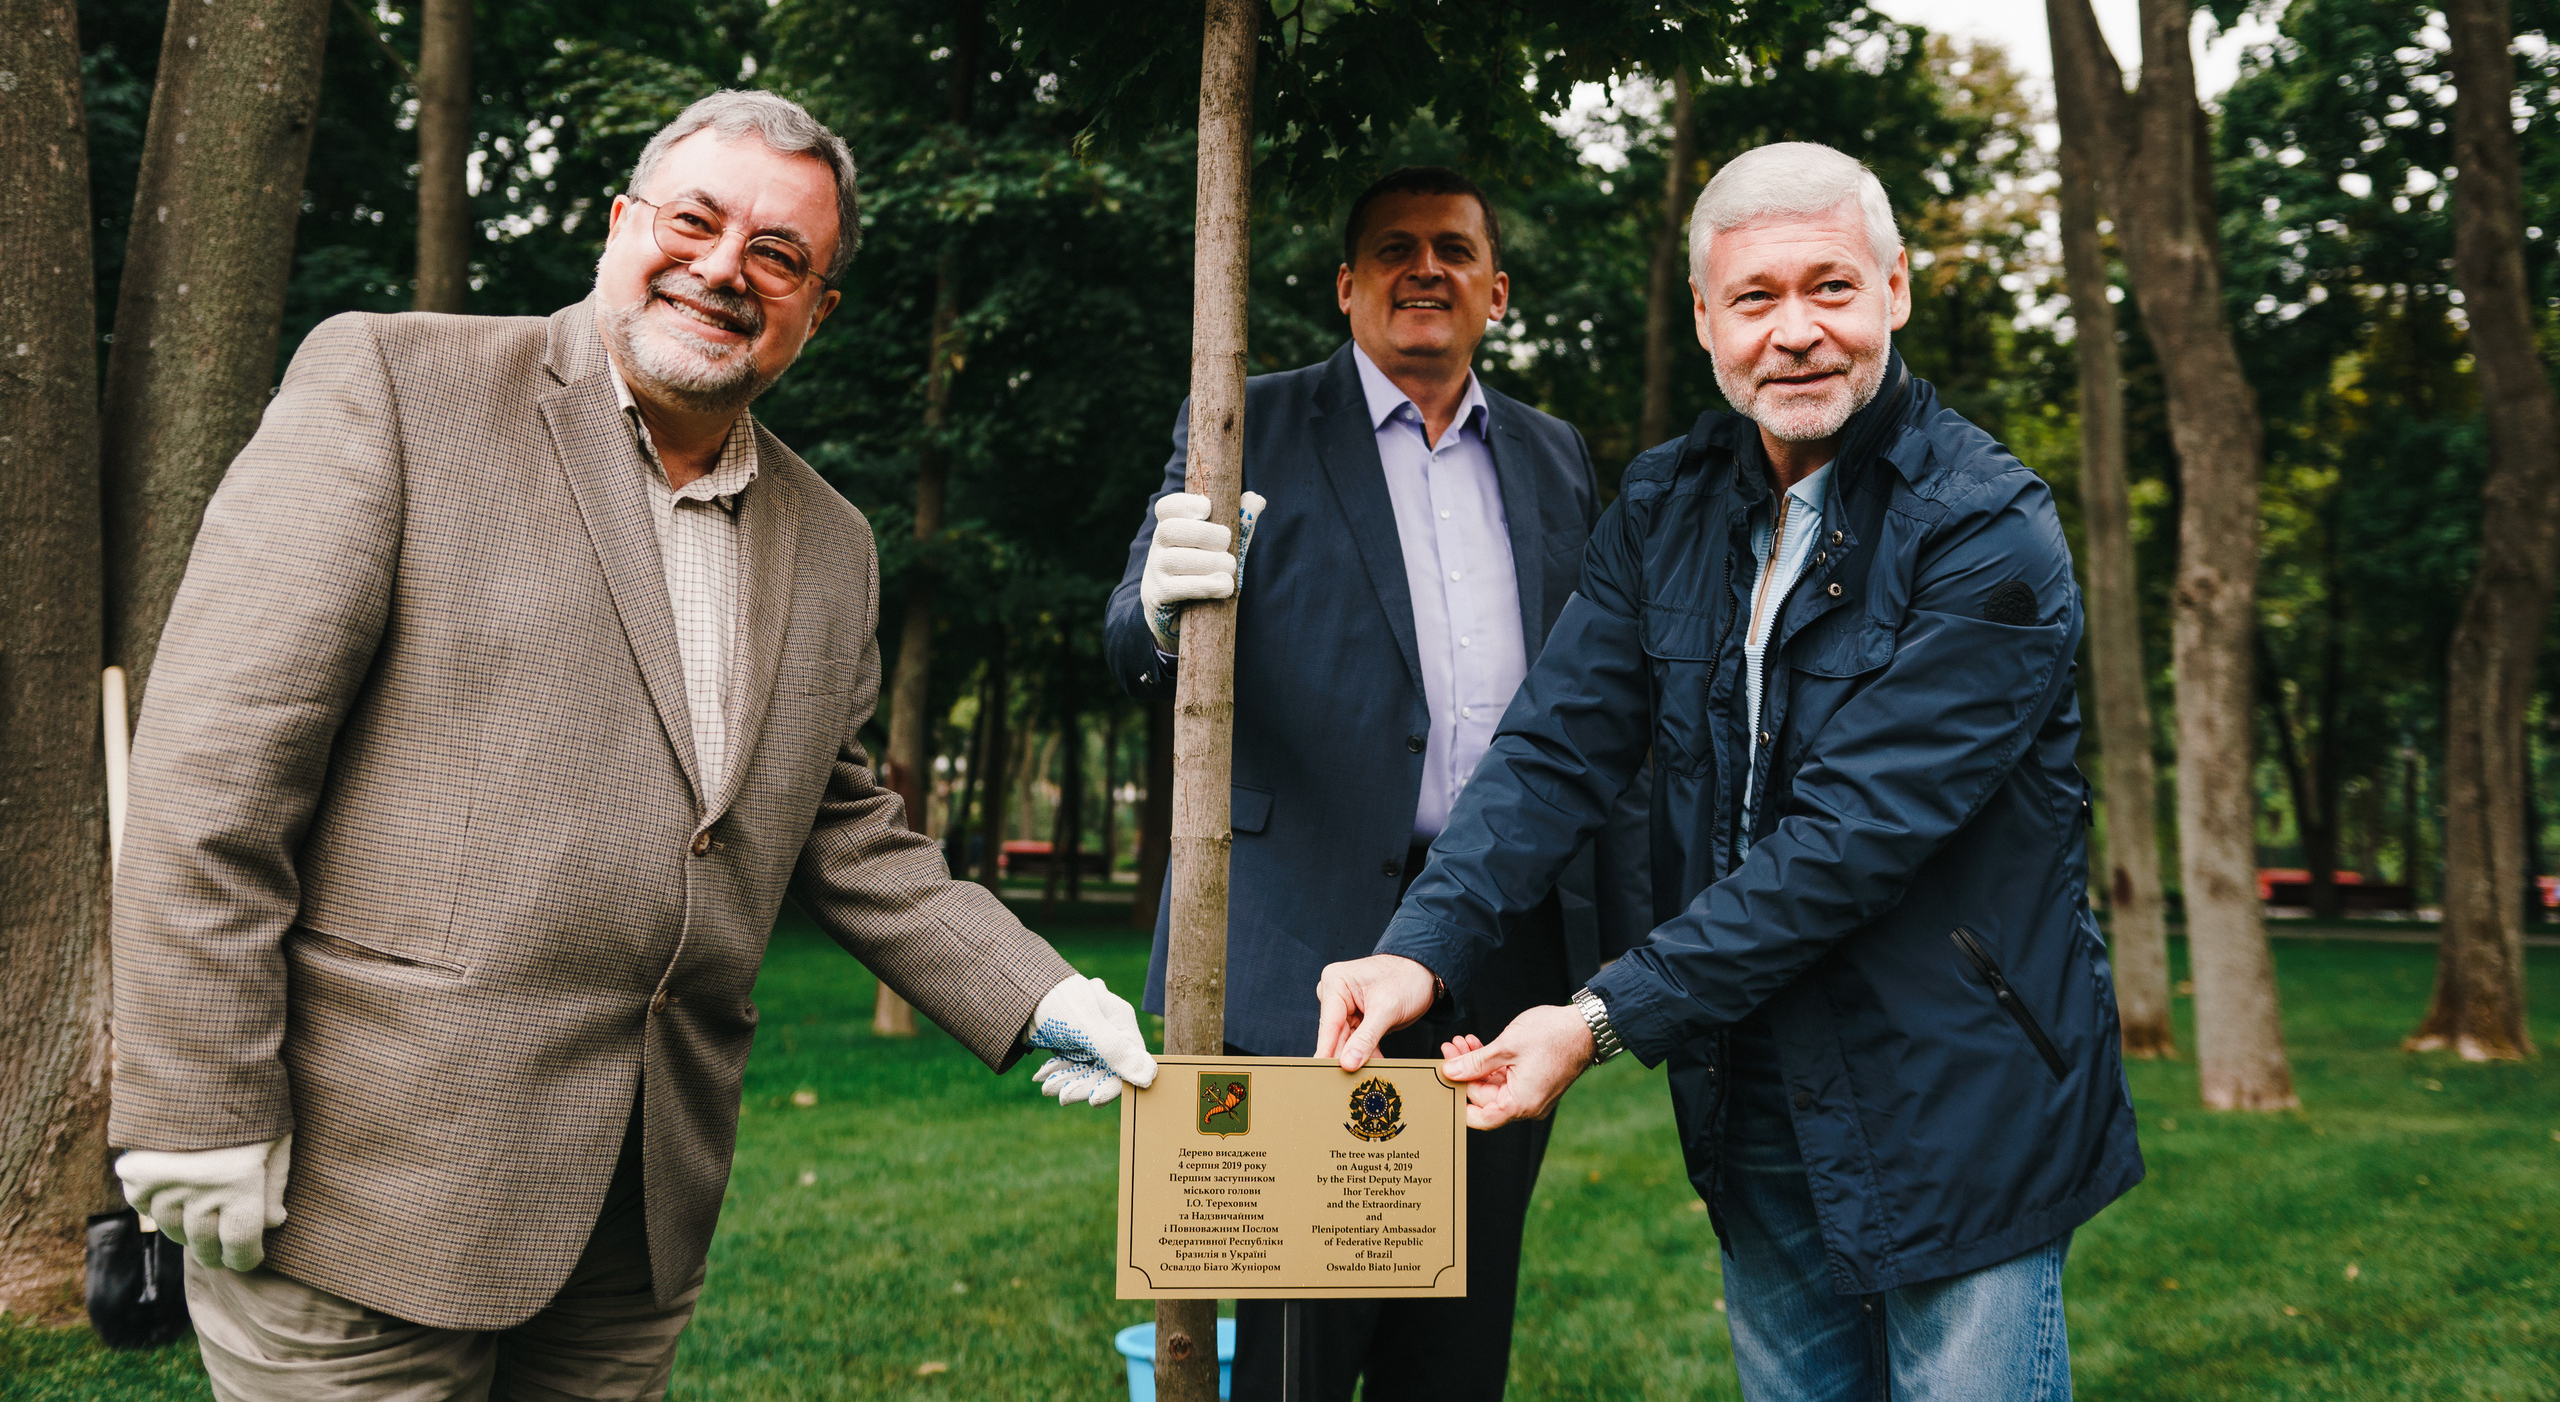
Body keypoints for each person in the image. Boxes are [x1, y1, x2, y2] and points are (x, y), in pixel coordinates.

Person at [109, 90, 1158, 1401]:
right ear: (621, 225)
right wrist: (198, 1102)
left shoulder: (833, 543)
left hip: (637, 1221)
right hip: (356, 1190)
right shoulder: (393, 383)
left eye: (779, 253)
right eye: (695, 220)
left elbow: (841, 826)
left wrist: (1038, 992)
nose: (725, 268)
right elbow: (215, 774)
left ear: (816, 308)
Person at [1317, 142, 2143, 1402]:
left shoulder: (1986, 528)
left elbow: (1848, 841)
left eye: (1832, 289)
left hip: (1958, 1097)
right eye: (1756, 298)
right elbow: (1555, 745)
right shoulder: (1667, 502)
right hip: (1753, 1090)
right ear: (1707, 318)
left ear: (1896, 292)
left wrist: (1595, 1021)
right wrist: (1420, 946)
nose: (1796, 333)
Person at [1106, 166, 1648, 1402]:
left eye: (1453, 250)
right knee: (1302, 1339)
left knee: (1460, 1323)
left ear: (1495, 291)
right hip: (1301, 936)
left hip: (1505, 940)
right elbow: (1133, 642)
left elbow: (1597, 702)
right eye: (1393, 250)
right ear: (1347, 288)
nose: (1425, 270)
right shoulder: (1243, 418)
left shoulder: (1556, 455)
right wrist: (1154, 605)